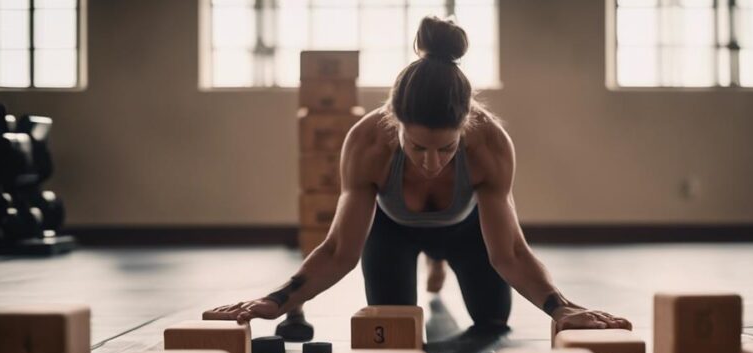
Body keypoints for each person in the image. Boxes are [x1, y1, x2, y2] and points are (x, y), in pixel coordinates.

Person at [211, 16, 632, 334]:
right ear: (394, 123)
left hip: (467, 231)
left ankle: (441, 259)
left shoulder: (491, 145)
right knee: (393, 327)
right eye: (417, 147)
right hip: (391, 231)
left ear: (466, 126)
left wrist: (561, 307)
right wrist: (276, 300)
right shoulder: (367, 144)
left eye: (447, 149)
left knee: (493, 320)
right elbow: (339, 249)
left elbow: (511, 254)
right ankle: (431, 257)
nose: (431, 163)